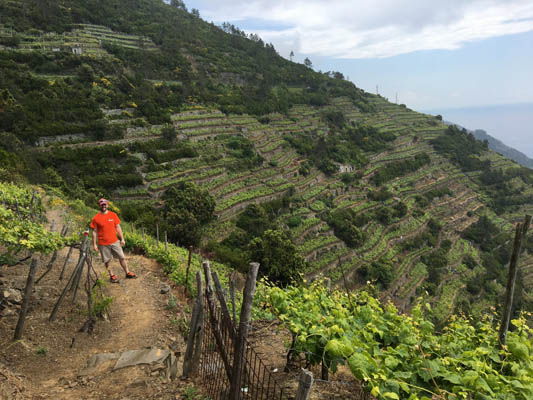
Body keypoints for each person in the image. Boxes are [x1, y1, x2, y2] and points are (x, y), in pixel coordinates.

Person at [90, 198, 136, 283]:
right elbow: (94, 232)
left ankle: (127, 272)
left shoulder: (113, 215)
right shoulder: (96, 218)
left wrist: (122, 239)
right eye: (102, 204)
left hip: (114, 241)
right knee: (107, 261)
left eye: (105, 204)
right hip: (103, 243)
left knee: (122, 257)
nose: (103, 206)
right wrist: (94, 245)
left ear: (107, 205)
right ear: (99, 205)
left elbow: (118, 227)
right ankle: (112, 275)